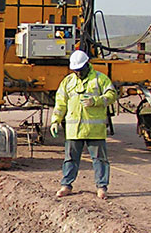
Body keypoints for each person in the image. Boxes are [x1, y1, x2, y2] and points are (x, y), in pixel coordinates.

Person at [50, 50, 117, 199]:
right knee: (70, 159)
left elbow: (112, 95)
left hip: (94, 129)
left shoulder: (100, 79)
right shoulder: (68, 81)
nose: (78, 73)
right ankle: (66, 185)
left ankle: (101, 187)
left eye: (80, 70)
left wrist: (96, 101)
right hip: (74, 130)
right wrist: (55, 120)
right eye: (76, 71)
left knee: (100, 159)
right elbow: (60, 103)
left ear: (87, 65)